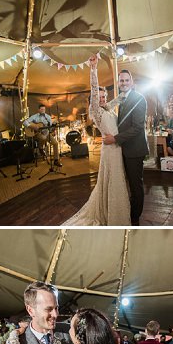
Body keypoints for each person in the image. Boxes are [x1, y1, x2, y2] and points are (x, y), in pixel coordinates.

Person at [63, 55, 130, 226]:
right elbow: (93, 88)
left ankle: (115, 209)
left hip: (116, 147)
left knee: (116, 179)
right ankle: (111, 213)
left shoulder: (107, 108)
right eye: (98, 97)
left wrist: (128, 84)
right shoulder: (97, 112)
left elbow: (122, 97)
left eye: (103, 96)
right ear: (93, 100)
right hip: (110, 150)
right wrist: (93, 69)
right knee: (112, 179)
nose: (102, 99)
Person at [101, 69, 149, 226]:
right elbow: (106, 107)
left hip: (134, 150)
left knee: (135, 186)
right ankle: (129, 212)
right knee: (126, 183)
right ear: (118, 83)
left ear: (132, 82)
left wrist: (114, 138)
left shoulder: (139, 99)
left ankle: (135, 219)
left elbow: (137, 128)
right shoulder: (121, 98)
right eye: (121, 81)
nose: (124, 83)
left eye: (126, 80)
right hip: (124, 149)